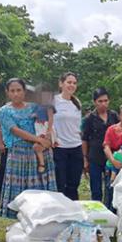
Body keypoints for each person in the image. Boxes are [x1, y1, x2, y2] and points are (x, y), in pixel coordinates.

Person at [0, 79, 56, 218]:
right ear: (7, 93)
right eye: (12, 91)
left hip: (38, 152)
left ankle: (39, 220)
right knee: (19, 189)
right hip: (18, 154)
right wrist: (38, 139)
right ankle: (17, 220)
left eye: (19, 90)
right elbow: (15, 130)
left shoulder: (34, 107)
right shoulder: (4, 111)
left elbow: (48, 118)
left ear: (24, 92)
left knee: (39, 189)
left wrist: (48, 138)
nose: (16, 94)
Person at [81, 88, 119, 203]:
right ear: (94, 102)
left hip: (112, 158)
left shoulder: (114, 116)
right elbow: (84, 139)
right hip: (94, 158)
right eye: (100, 101)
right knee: (96, 189)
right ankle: (97, 215)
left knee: (111, 187)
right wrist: (85, 159)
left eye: (106, 101)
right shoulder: (89, 119)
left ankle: (111, 212)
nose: (103, 104)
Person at [52, 72, 83, 200]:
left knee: (74, 183)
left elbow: (78, 126)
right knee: (60, 183)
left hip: (76, 147)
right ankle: (60, 211)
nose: (72, 85)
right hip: (60, 148)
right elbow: (47, 123)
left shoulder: (77, 103)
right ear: (61, 84)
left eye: (74, 83)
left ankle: (74, 211)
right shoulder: (53, 101)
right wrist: (53, 138)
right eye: (69, 82)